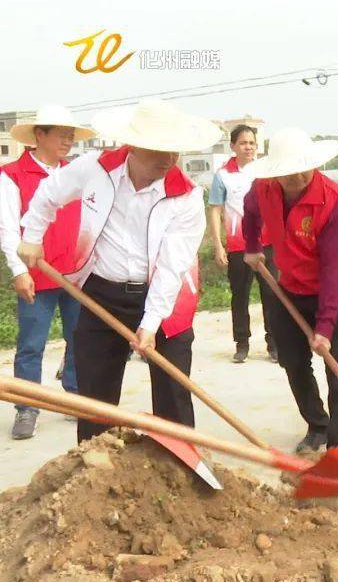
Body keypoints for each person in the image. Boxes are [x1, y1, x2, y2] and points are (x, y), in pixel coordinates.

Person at [17, 99, 217, 442]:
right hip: (100, 293)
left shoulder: (187, 197)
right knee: (96, 394)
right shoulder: (95, 168)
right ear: (134, 145)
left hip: (165, 301)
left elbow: (171, 268)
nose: (169, 159)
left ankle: (182, 469)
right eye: (160, 149)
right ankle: (93, 465)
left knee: (173, 390)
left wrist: (150, 324)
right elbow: (48, 194)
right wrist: (32, 237)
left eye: (175, 151)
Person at [241, 128, 338, 453]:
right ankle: (317, 426)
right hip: (291, 285)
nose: (297, 177)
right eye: (288, 172)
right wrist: (252, 246)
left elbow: (333, 270)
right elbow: (249, 213)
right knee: (292, 359)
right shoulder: (262, 190)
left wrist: (324, 328)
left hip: (335, 289)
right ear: (275, 173)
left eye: (303, 168)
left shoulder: (332, 202)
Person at [0, 105, 94, 439]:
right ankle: (27, 407)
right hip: (36, 275)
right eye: (62, 135)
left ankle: (75, 394)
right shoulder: (12, 175)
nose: (68, 141)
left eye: (71, 136)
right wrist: (18, 271)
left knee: (79, 339)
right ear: (40, 135)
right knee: (31, 344)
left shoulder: (74, 175)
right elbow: (9, 229)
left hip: (74, 273)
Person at [208, 124, 278, 364]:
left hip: (267, 243)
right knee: (240, 296)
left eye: (252, 143)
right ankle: (242, 343)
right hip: (238, 246)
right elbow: (216, 209)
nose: (248, 147)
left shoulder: (266, 171)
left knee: (272, 294)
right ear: (233, 146)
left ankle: (274, 344)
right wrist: (218, 244)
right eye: (243, 143)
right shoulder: (222, 175)